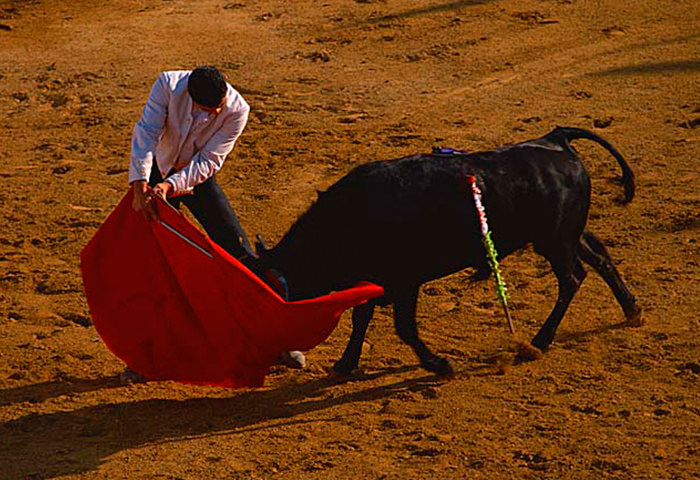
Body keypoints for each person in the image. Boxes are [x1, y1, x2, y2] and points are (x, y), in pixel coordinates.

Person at [122, 66, 305, 380]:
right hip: (155, 173)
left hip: (198, 177)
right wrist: (140, 184)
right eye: (210, 109)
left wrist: (171, 185)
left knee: (238, 251)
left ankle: (275, 340)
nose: (218, 111)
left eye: (220, 103)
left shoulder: (237, 109)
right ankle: (147, 357)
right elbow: (147, 133)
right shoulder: (167, 85)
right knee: (153, 265)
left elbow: (208, 161)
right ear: (192, 100)